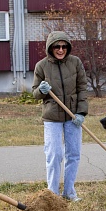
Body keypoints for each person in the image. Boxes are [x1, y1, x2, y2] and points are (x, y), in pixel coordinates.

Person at [33, 31, 88, 202]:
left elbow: (82, 89)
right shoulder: (41, 66)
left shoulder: (75, 62)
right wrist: (40, 90)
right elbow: (35, 93)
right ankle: (53, 194)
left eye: (64, 46)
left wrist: (81, 112)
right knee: (54, 154)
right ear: (51, 47)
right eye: (57, 46)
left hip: (73, 116)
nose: (61, 49)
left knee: (73, 153)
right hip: (52, 116)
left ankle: (69, 191)